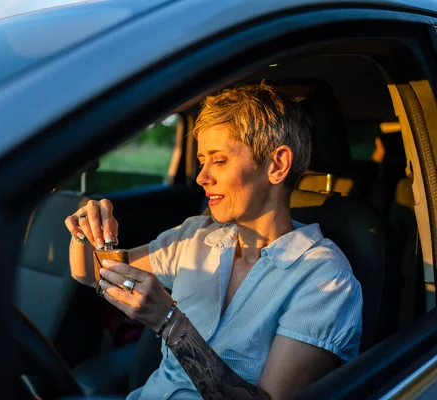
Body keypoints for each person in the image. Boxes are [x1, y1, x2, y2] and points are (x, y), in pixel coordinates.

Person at [64, 83, 362, 400]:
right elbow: (94, 272)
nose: (202, 177)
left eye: (218, 161)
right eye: (203, 160)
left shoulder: (325, 280)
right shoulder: (195, 235)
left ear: (277, 165)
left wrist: (170, 323)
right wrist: (86, 229)